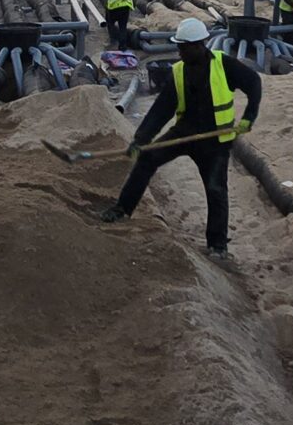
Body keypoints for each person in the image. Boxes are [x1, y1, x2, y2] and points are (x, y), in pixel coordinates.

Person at [95, 17, 262, 260]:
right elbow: (161, 110)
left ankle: (217, 245)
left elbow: (254, 83)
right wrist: (141, 139)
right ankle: (122, 208)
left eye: (183, 47)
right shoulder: (179, 72)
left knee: (216, 189)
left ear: (199, 45)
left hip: (215, 140)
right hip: (185, 132)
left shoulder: (223, 65)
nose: (179, 51)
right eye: (179, 46)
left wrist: (249, 116)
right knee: (147, 158)